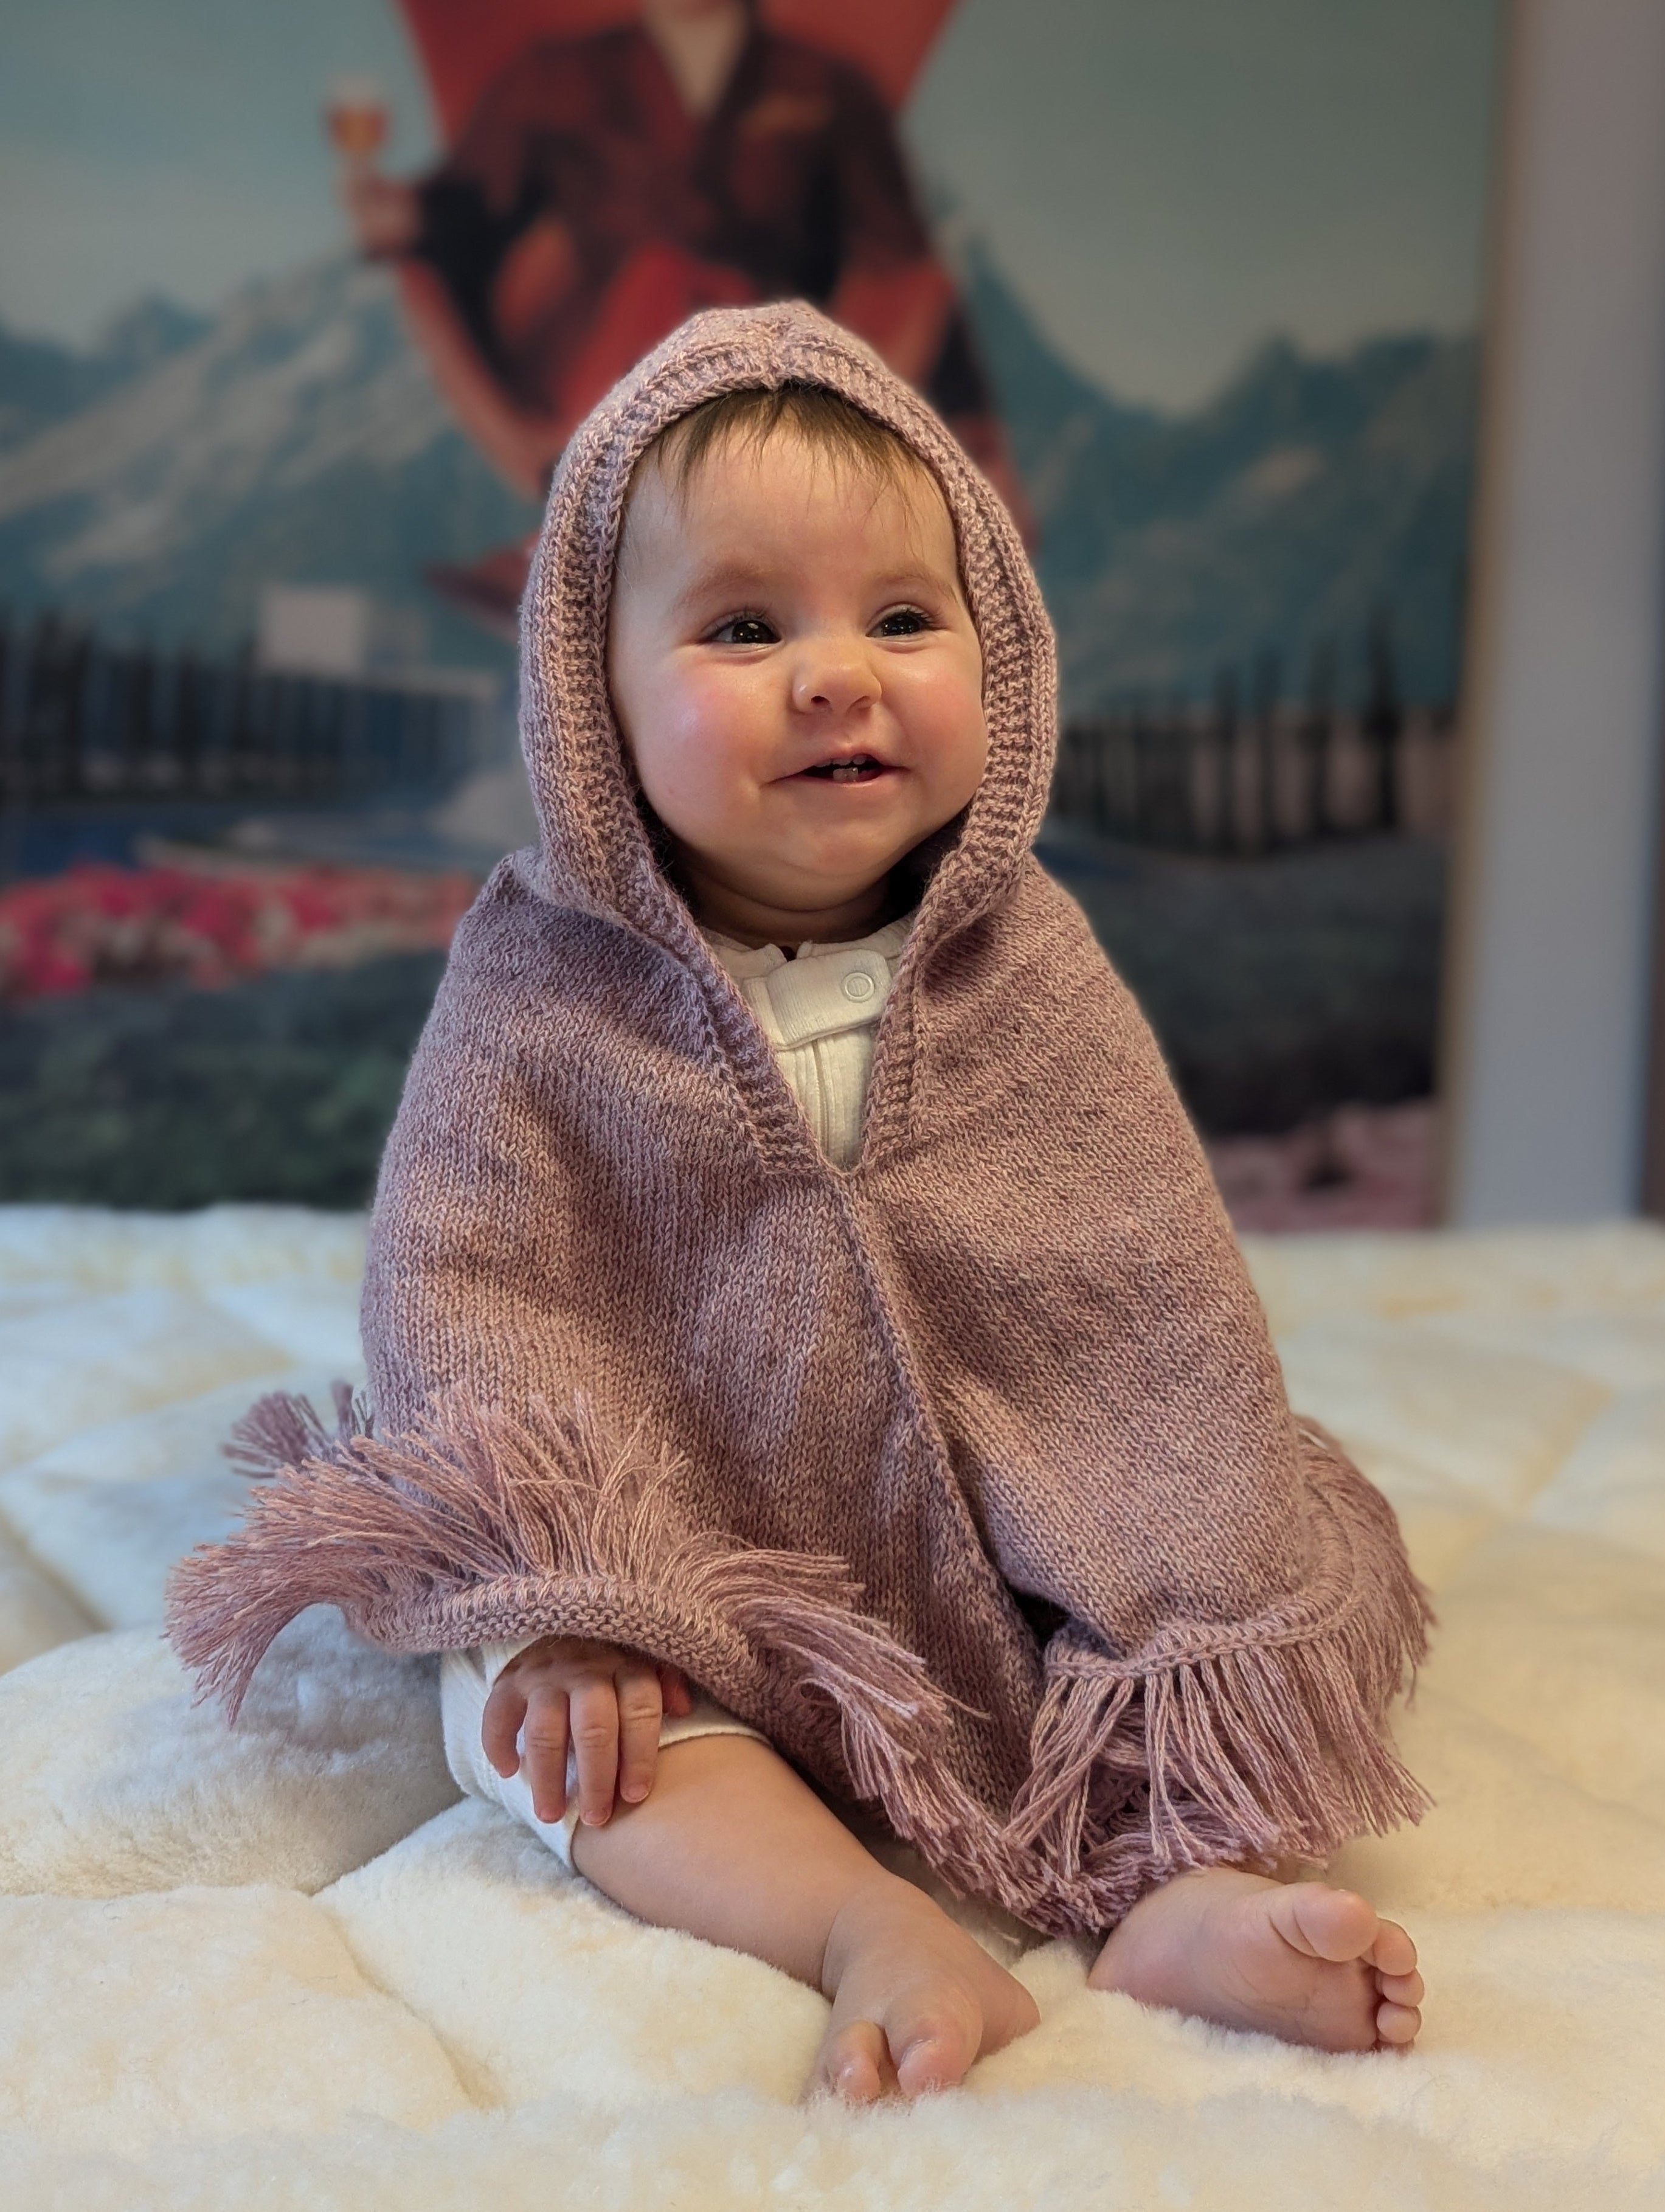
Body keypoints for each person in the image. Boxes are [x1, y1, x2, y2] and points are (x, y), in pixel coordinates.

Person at [168, 303, 1430, 2106]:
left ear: (992, 656)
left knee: (1232, 1608)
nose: (835, 674)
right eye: (745, 627)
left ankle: (1185, 1897)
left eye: (901, 620)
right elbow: (476, 1286)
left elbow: (1141, 1290)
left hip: (1003, 1547)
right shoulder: (546, 985)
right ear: (592, 702)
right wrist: (588, 1592)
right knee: (544, 1725)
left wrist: (1166, 1543)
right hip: (687, 1549)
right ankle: (854, 1921)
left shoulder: (1029, 965)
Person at [342, 0, 1019, 625]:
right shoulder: (554, 76)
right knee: (660, 281)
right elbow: (460, 212)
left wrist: (972, 427)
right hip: (592, 360)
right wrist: (400, 219)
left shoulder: (822, 86)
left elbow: (901, 260)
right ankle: (605, 536)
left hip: (774, 383)